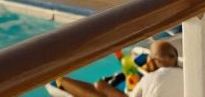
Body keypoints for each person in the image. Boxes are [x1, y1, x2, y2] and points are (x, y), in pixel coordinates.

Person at [53, 40, 183, 97]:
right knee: (100, 86)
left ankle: (60, 81)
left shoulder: (151, 78)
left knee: (99, 87)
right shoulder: (186, 74)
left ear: (154, 61)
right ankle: (60, 81)